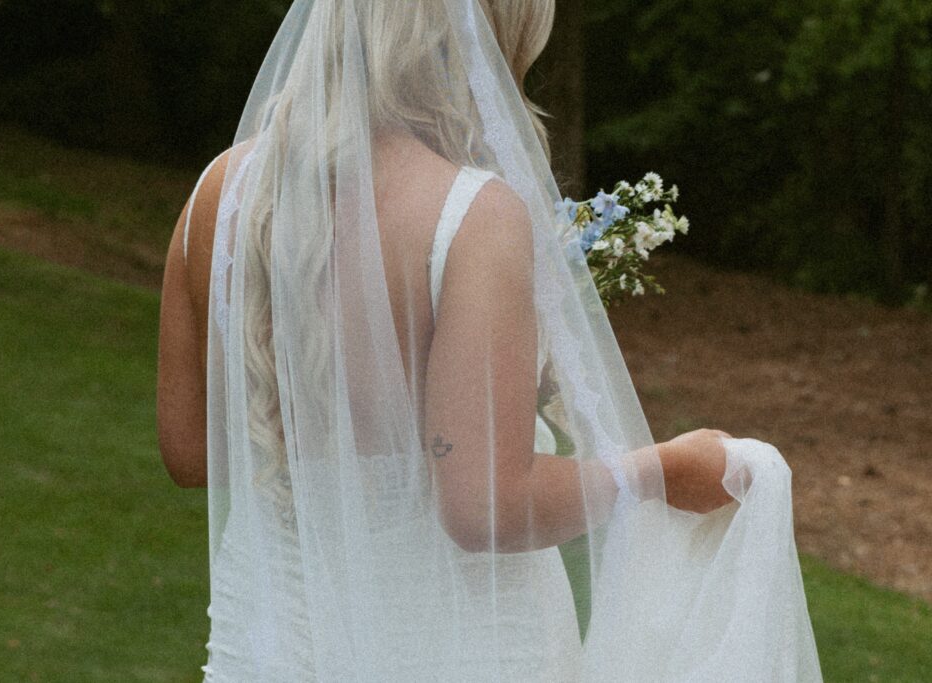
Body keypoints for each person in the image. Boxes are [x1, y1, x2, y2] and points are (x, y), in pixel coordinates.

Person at [157, 0, 822, 680]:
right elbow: (483, 509)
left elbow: (188, 451)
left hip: (273, 647)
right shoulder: (472, 213)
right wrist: (667, 468)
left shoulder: (219, 193)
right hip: (458, 648)